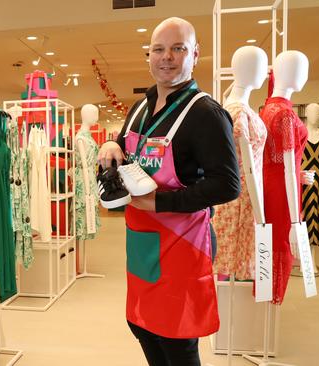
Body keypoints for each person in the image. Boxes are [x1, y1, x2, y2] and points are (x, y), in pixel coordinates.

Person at [98, 17, 240, 365]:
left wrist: (160, 201)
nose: (167, 57)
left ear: (195, 54)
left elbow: (227, 184)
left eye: (178, 49)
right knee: (143, 328)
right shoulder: (139, 109)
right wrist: (110, 146)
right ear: (149, 55)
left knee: (176, 340)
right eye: (159, 49)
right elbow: (126, 150)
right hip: (142, 244)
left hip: (182, 247)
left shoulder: (206, 113)